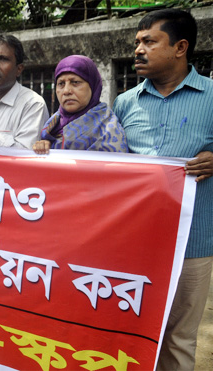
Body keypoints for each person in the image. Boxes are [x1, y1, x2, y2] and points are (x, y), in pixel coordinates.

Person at [112, 9, 213, 371]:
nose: (138, 49)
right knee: (132, 327)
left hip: (194, 243)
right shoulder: (124, 104)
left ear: (180, 47)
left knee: (180, 336)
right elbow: (107, 164)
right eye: (137, 42)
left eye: (149, 42)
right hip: (136, 242)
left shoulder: (212, 97)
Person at [32, 55, 128, 154]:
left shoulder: (107, 129)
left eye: (75, 82)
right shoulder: (52, 125)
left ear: (92, 85)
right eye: (61, 84)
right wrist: (43, 148)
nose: (66, 91)